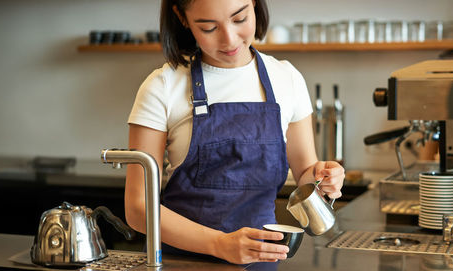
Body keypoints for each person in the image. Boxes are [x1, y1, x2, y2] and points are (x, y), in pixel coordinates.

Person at [124, 0, 345, 265]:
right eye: (208, 27)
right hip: (184, 263)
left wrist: (325, 178)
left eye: (239, 19)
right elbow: (138, 208)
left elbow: (306, 173)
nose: (229, 39)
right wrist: (218, 244)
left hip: (261, 261)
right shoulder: (162, 86)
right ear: (182, 18)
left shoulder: (287, 78)